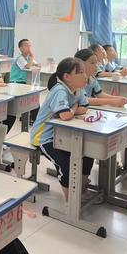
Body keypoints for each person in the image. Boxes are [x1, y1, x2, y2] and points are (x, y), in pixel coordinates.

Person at [30, 58, 91, 201]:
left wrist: (72, 110)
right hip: (44, 137)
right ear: (67, 77)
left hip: (62, 135)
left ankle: (80, 190)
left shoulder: (78, 89)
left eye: (84, 72)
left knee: (87, 153)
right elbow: (65, 115)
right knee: (66, 163)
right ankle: (71, 202)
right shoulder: (60, 90)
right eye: (80, 72)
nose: (85, 76)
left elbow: (85, 107)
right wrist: (73, 109)